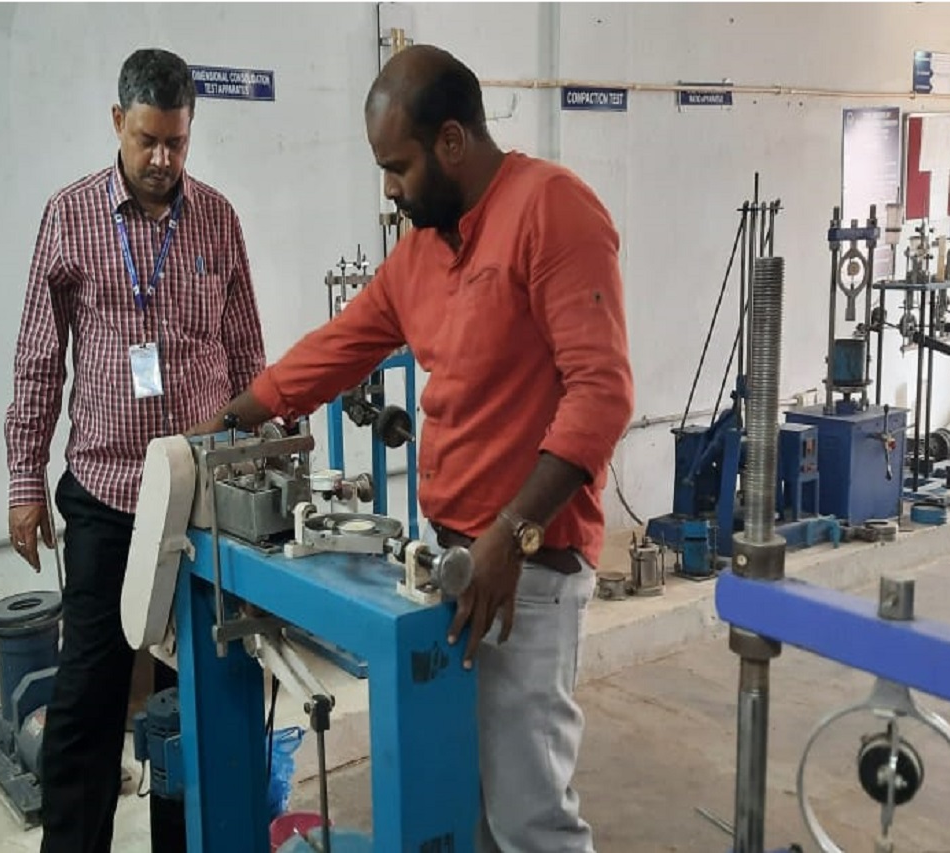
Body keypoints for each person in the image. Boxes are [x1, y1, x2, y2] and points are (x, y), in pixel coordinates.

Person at [190, 44, 633, 852]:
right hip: (457, 563)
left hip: (529, 569)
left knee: (530, 815)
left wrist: (512, 534)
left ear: (452, 141)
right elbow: (340, 345)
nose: (389, 189)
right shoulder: (423, 252)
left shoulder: (551, 209)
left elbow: (602, 395)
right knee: (468, 799)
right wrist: (230, 422)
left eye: (398, 167)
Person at [4, 47, 267, 853]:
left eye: (176, 143)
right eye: (147, 139)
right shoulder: (70, 215)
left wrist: (260, 461)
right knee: (89, 698)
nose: (161, 159)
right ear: (118, 121)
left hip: (204, 497)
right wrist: (24, 480)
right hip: (109, 494)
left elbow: (247, 353)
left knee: (205, 694)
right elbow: (38, 358)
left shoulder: (217, 218)